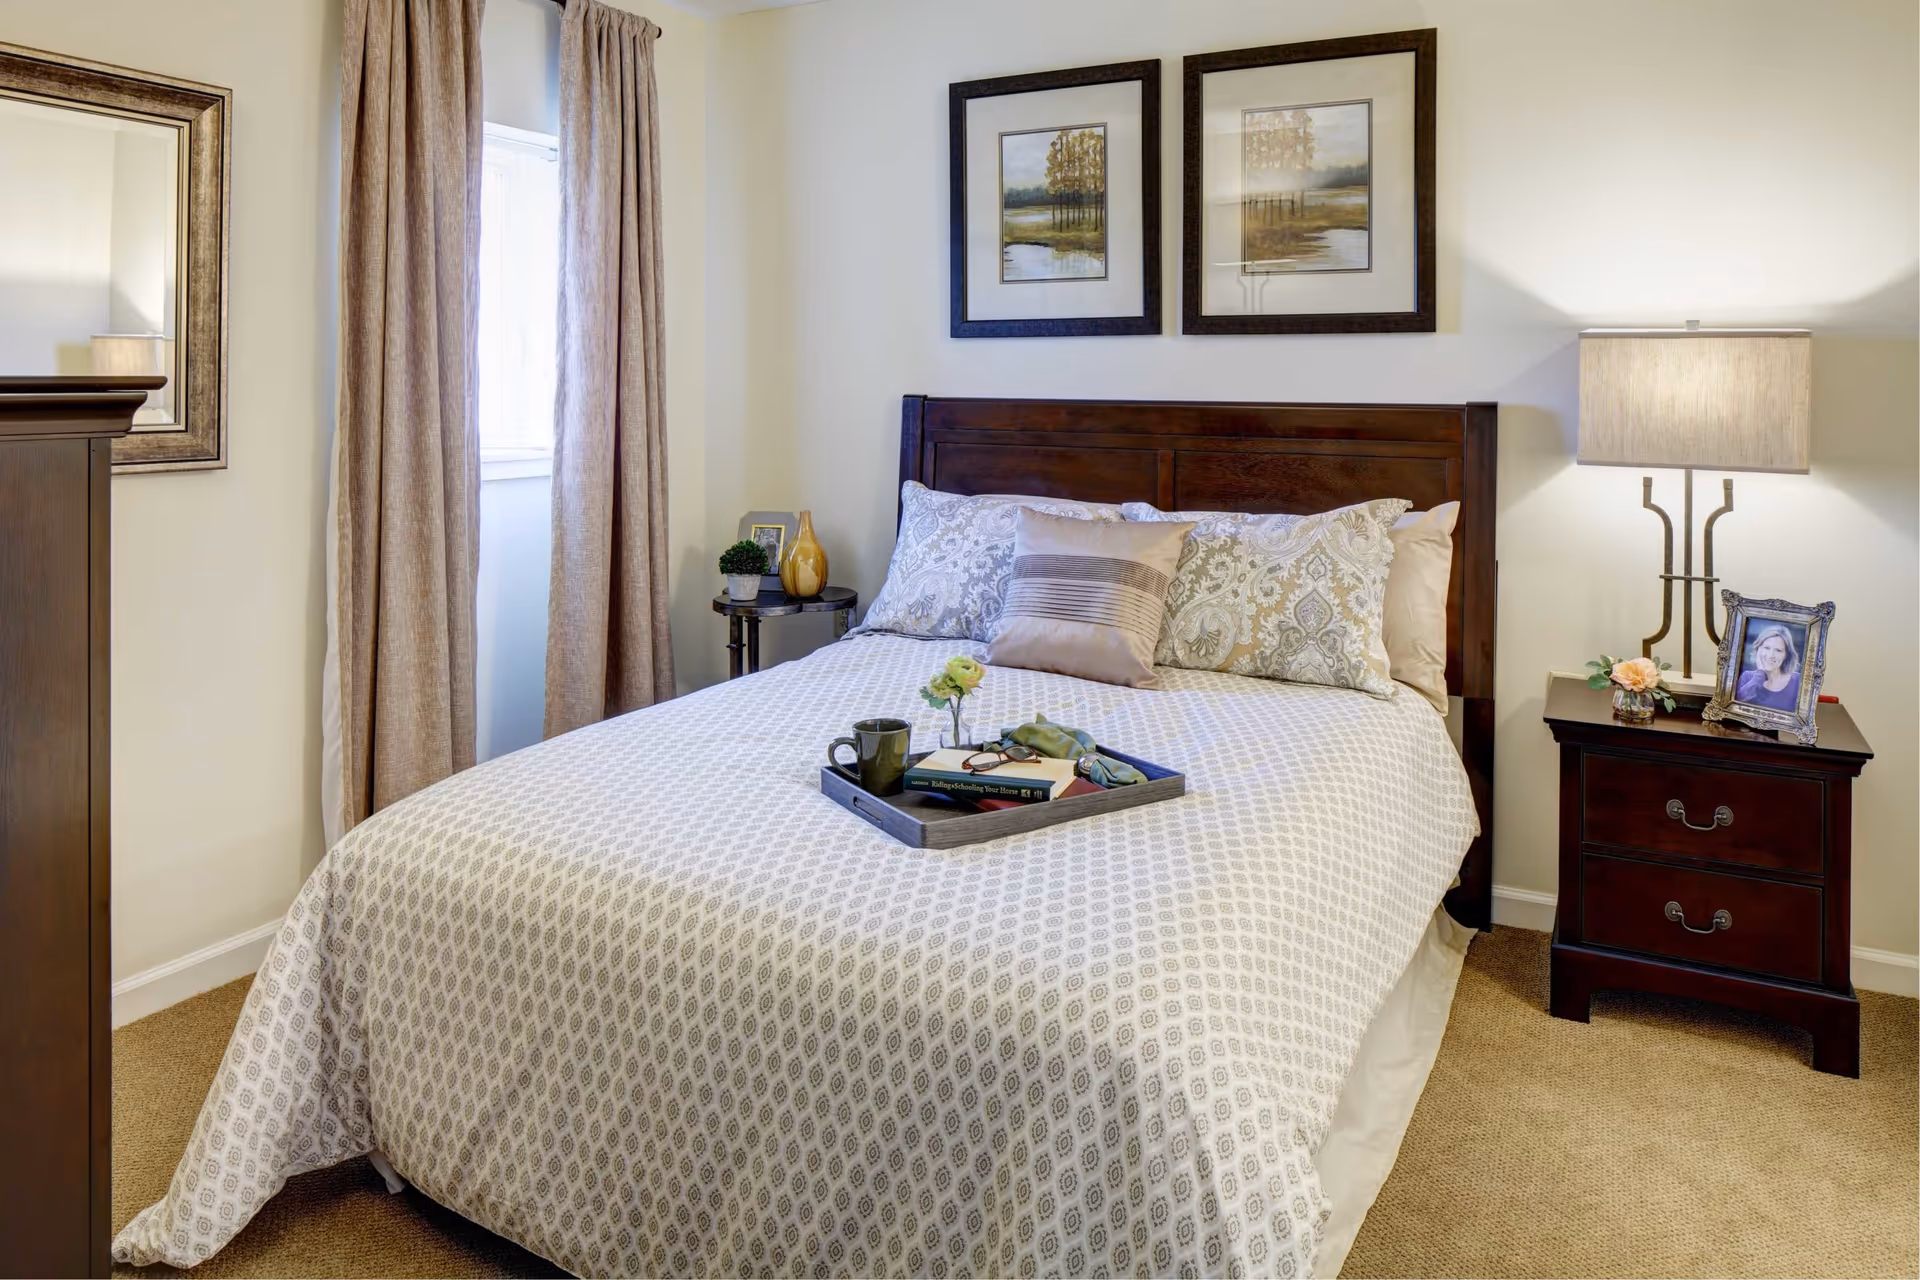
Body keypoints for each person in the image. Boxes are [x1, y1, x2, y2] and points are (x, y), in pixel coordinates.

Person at [1736, 623, 1801, 710]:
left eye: (1778, 650)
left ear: (1786, 655)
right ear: (1758, 649)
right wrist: (1759, 676)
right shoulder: (1747, 677)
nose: (1771, 655)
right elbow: (1735, 707)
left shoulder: (1798, 680)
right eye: (1766, 648)